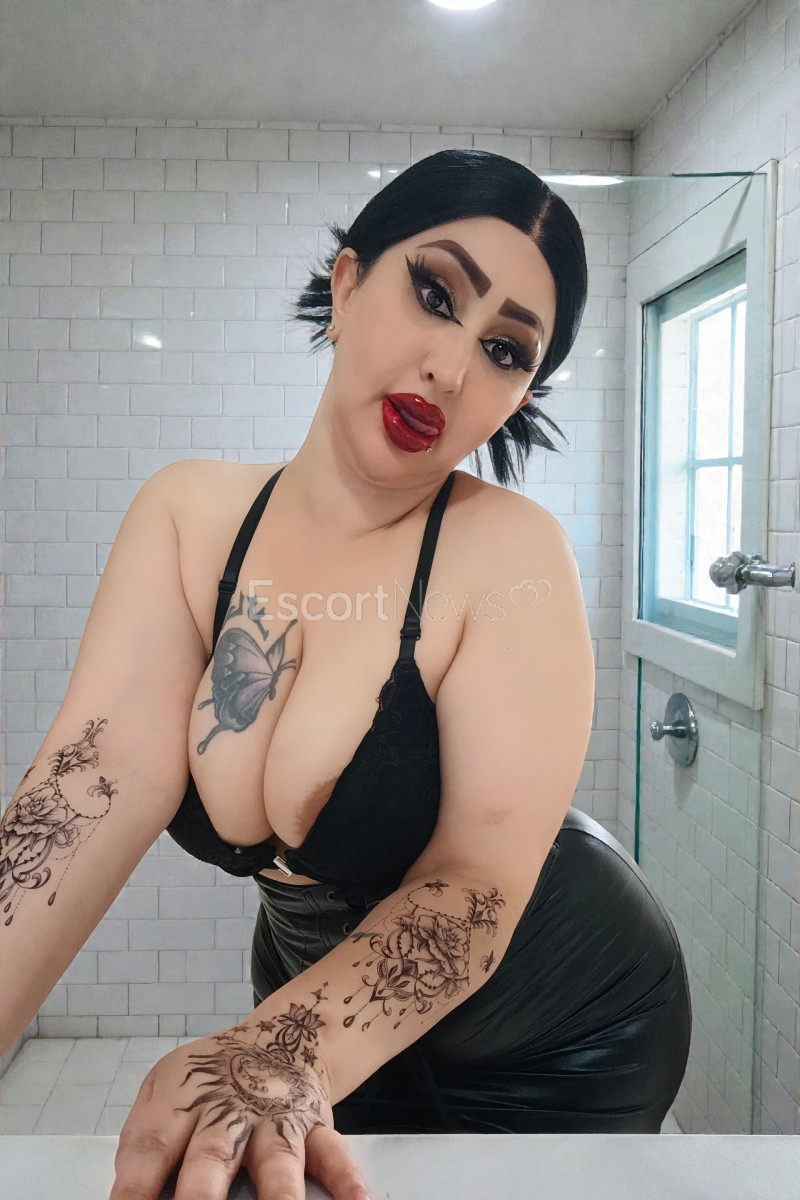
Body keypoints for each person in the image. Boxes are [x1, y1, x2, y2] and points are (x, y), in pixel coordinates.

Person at [0, 150, 690, 1200]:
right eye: (434, 294)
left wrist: (275, 1050)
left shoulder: (511, 555)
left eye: (505, 350)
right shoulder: (188, 520)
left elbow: (473, 885)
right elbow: (80, 796)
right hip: (324, 1000)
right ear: (350, 279)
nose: (450, 370)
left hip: (559, 1025)